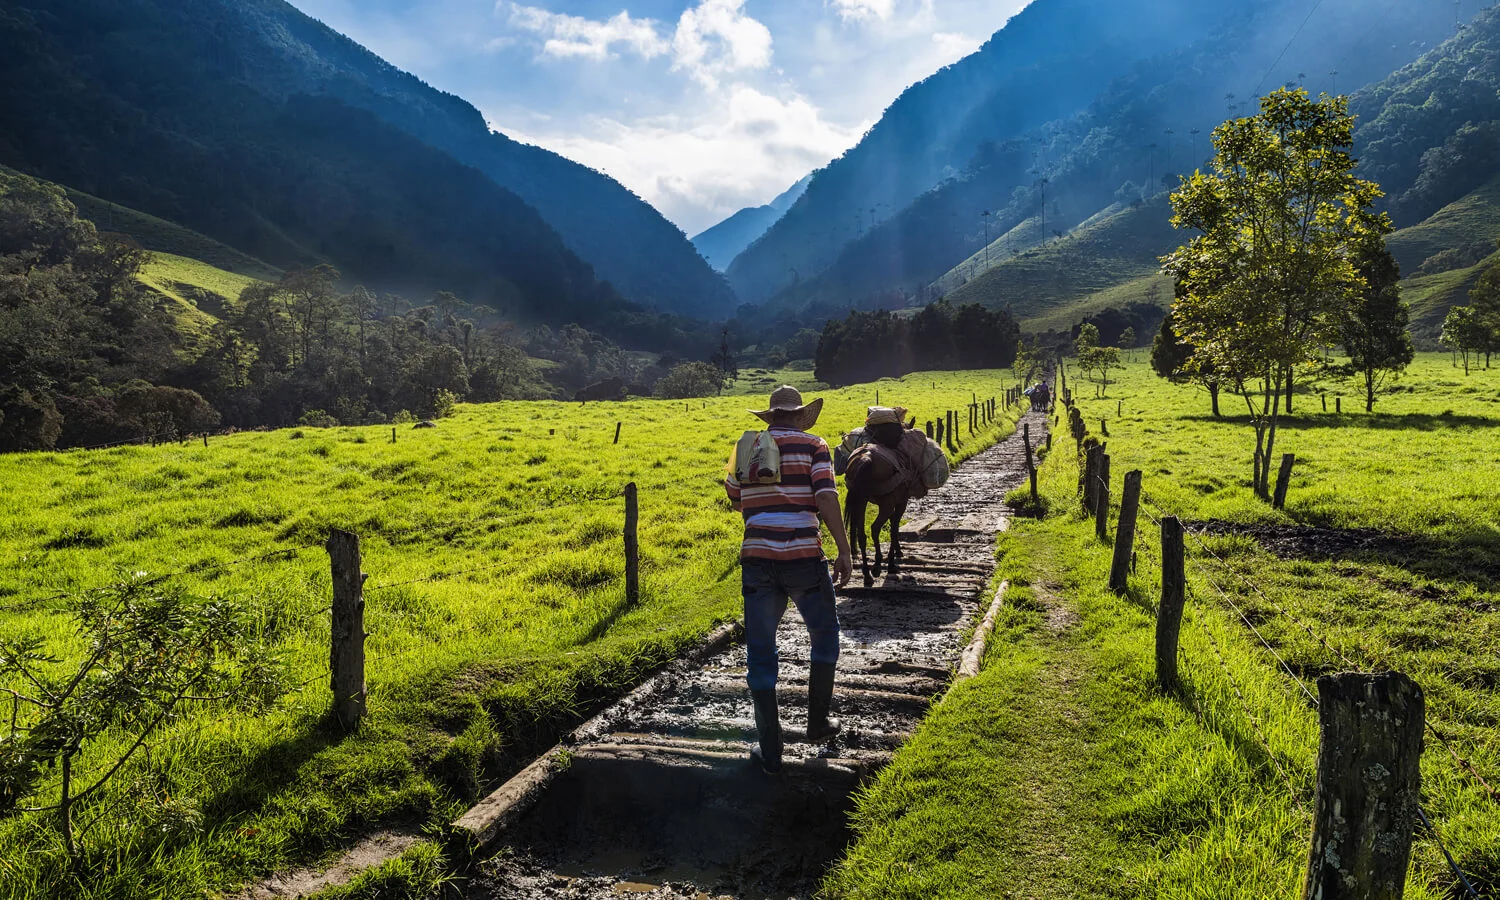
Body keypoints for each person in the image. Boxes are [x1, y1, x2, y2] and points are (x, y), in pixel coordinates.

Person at [725, 385, 853, 773]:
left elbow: (733, 497)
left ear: (769, 416)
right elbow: (827, 497)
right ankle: (816, 724)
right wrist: (844, 549)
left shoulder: (745, 447)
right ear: (799, 416)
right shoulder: (815, 445)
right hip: (803, 557)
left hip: (757, 558)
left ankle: (771, 751)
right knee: (824, 633)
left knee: (761, 650)